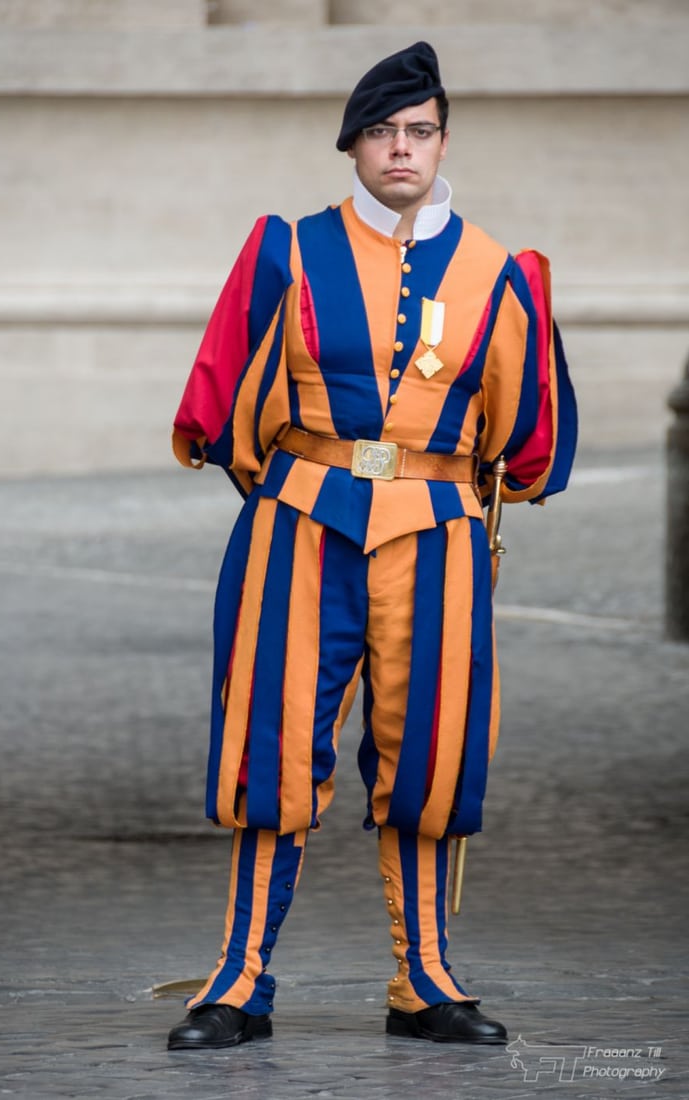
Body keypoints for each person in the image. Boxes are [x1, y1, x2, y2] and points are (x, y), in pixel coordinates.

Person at [167, 41, 577, 1051]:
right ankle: (238, 979)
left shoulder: (500, 271)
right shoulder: (287, 249)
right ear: (354, 144)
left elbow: (532, 444)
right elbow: (219, 401)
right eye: (385, 132)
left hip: (435, 538)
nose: (403, 148)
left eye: (421, 131)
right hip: (298, 525)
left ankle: (424, 979)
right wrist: (295, 485)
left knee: (431, 755)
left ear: (443, 142)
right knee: (272, 746)